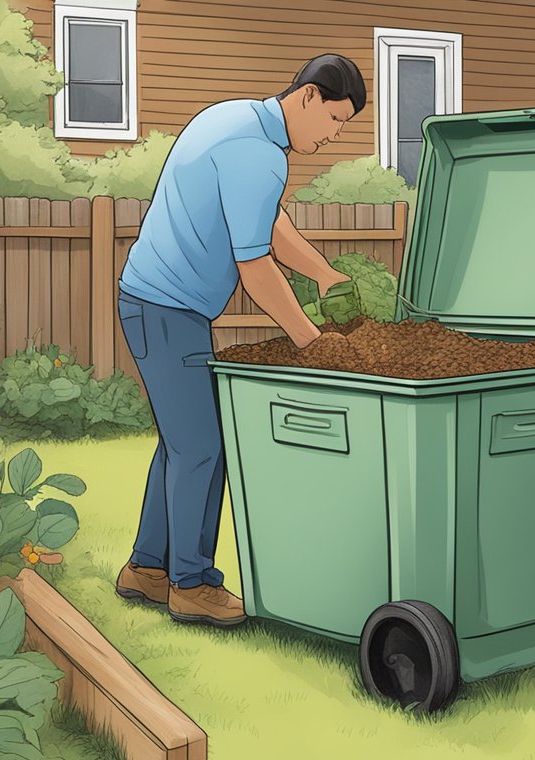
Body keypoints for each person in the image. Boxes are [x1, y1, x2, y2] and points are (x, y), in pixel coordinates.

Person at [113, 54, 364, 627]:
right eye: (335, 120)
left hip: (158, 304)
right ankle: (191, 584)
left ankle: (148, 568)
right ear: (306, 98)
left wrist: (324, 273)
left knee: (183, 443)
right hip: (166, 308)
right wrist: (310, 339)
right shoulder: (258, 153)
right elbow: (254, 267)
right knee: (203, 446)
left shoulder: (237, 121)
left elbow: (267, 224)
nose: (333, 136)